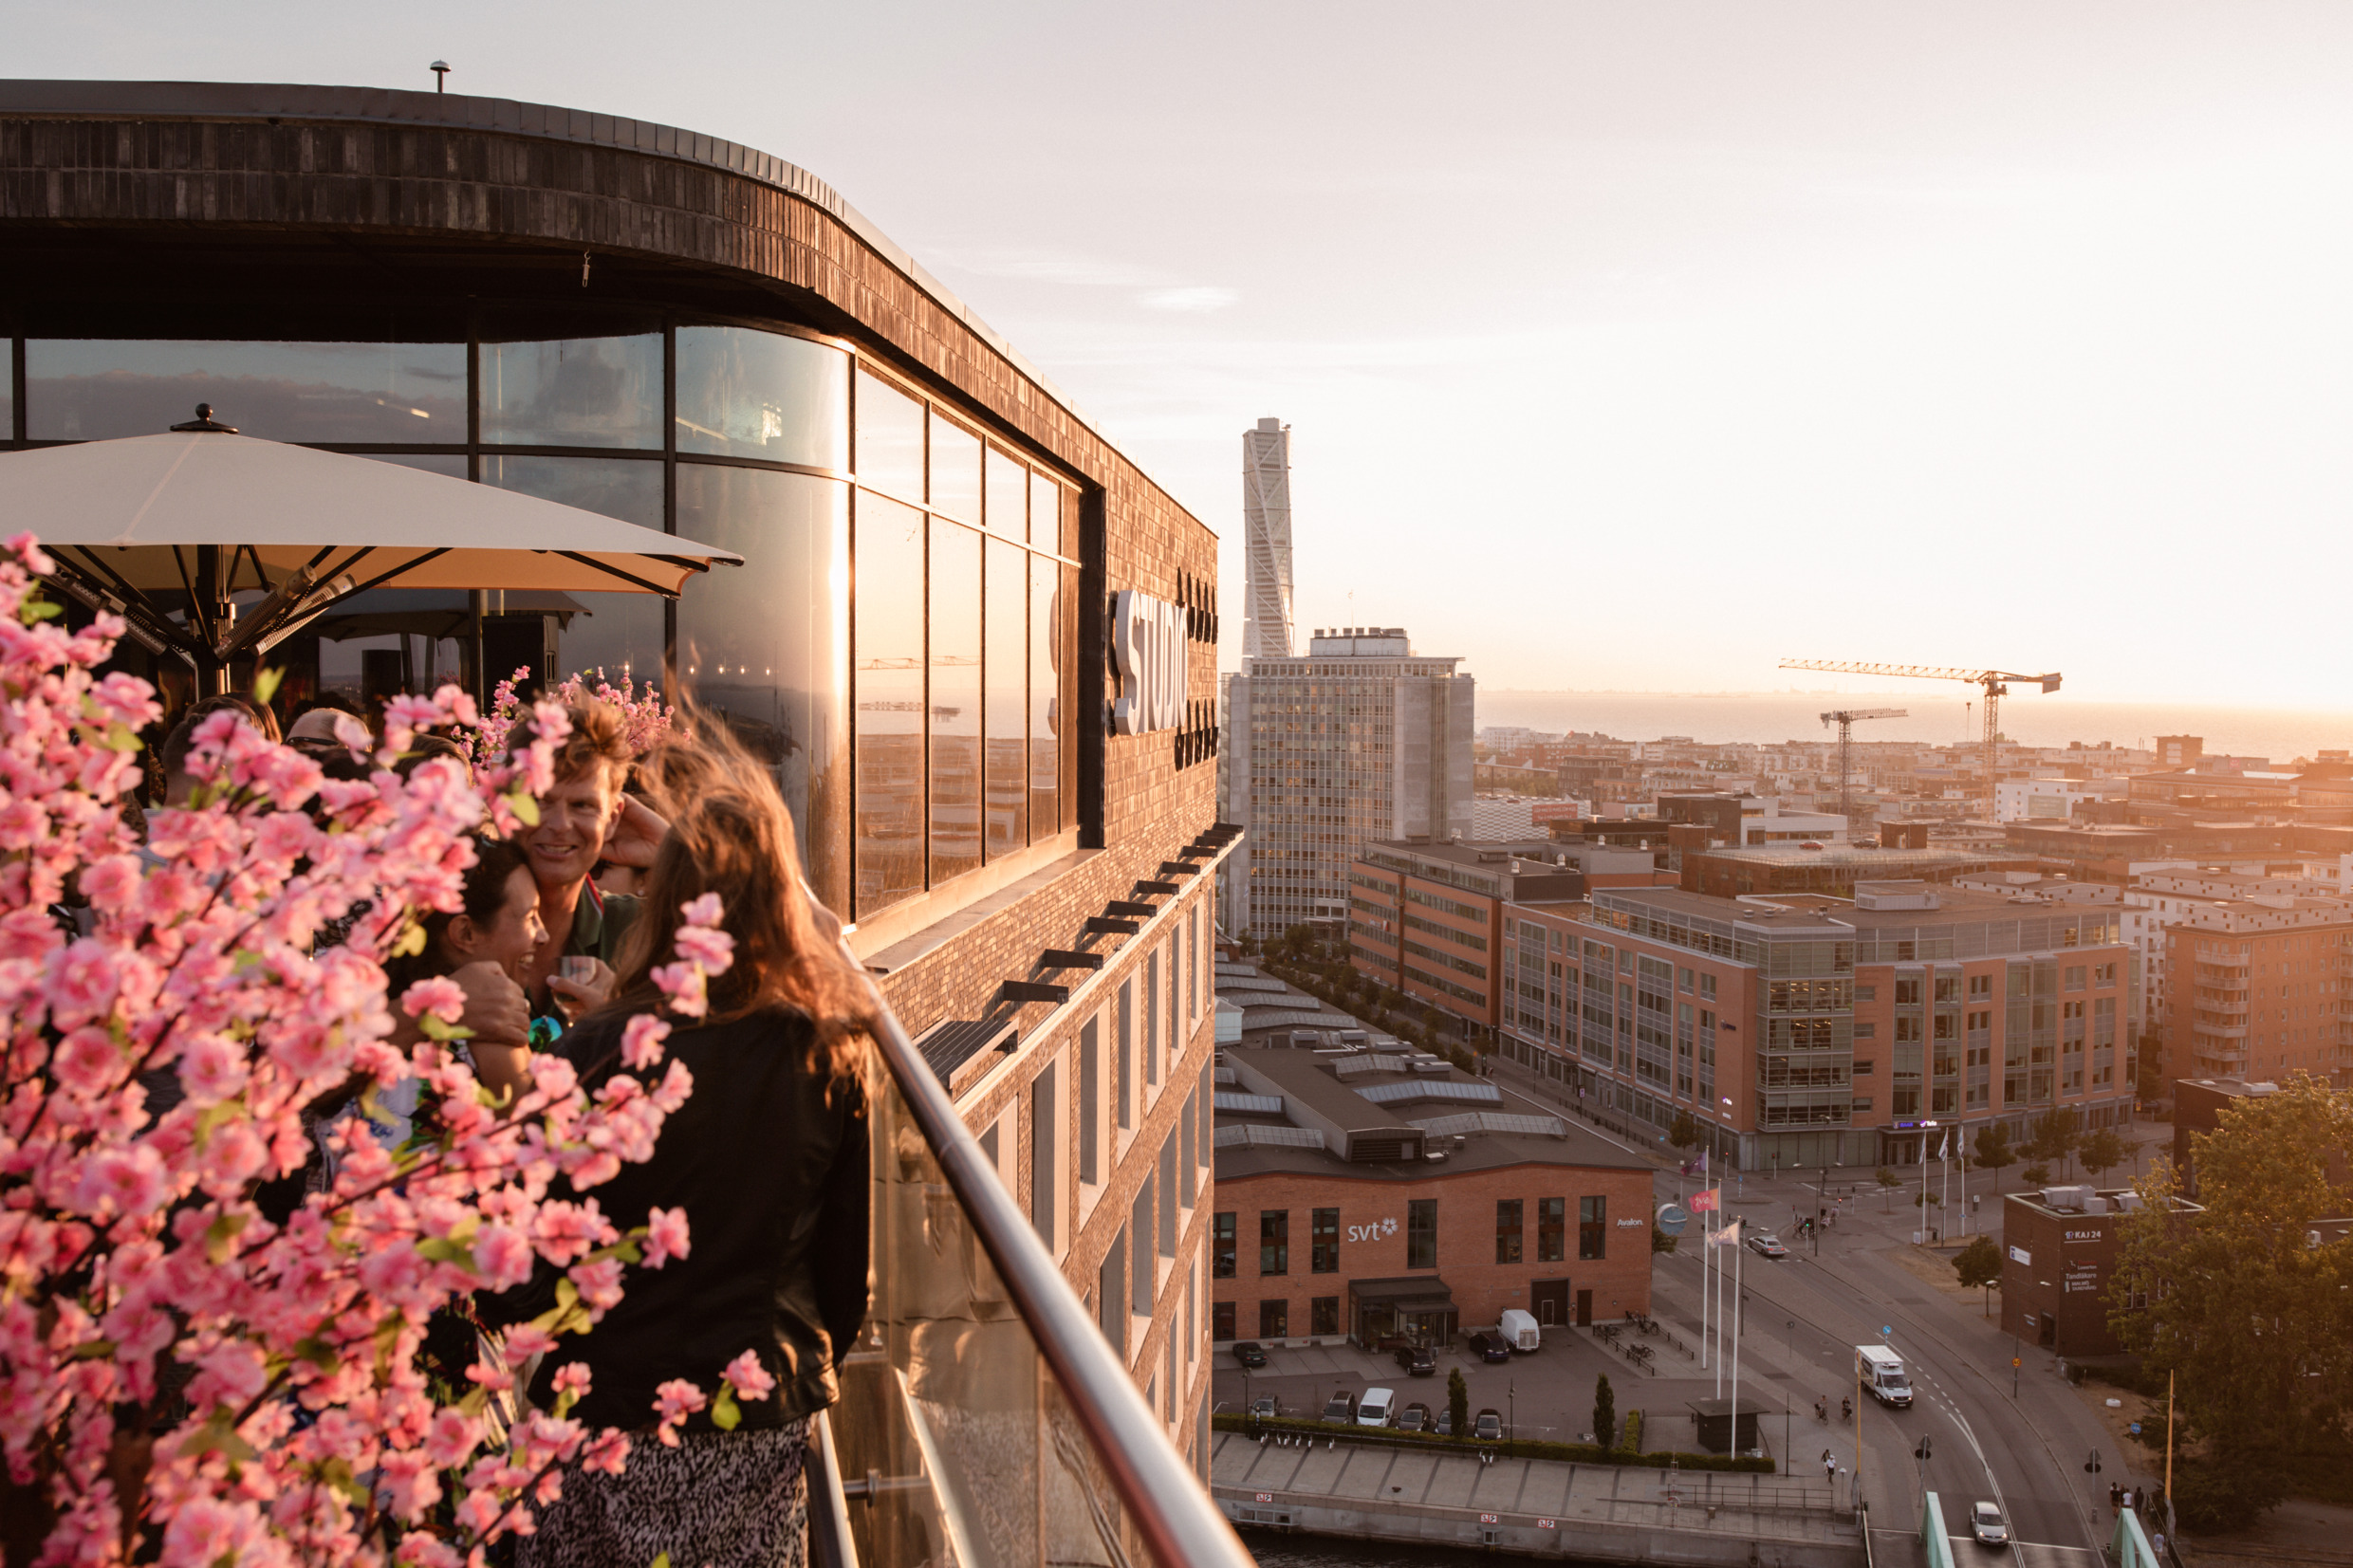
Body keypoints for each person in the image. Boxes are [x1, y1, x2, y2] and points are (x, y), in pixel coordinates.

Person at [508, 729, 873, 1568]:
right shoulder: (825, 1053)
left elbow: (528, 1275)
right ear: (782, 900)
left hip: (599, 1416)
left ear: (667, 904)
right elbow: (844, 1279)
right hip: (751, 1414)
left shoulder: (589, 1053)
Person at [514, 699, 665, 1021]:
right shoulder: (457, 918)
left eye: (582, 805)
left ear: (613, 818)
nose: (559, 825)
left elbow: (780, 942)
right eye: (540, 800)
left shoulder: (634, 927)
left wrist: (671, 847)